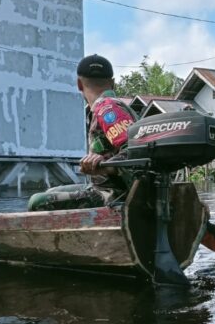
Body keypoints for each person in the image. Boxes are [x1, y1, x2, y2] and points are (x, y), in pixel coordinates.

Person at [28, 54, 138, 211]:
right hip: (103, 187)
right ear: (113, 83)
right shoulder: (113, 107)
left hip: (115, 194)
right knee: (51, 192)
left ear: (79, 84)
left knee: (36, 202)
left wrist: (106, 166)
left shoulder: (107, 108)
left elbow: (135, 148)